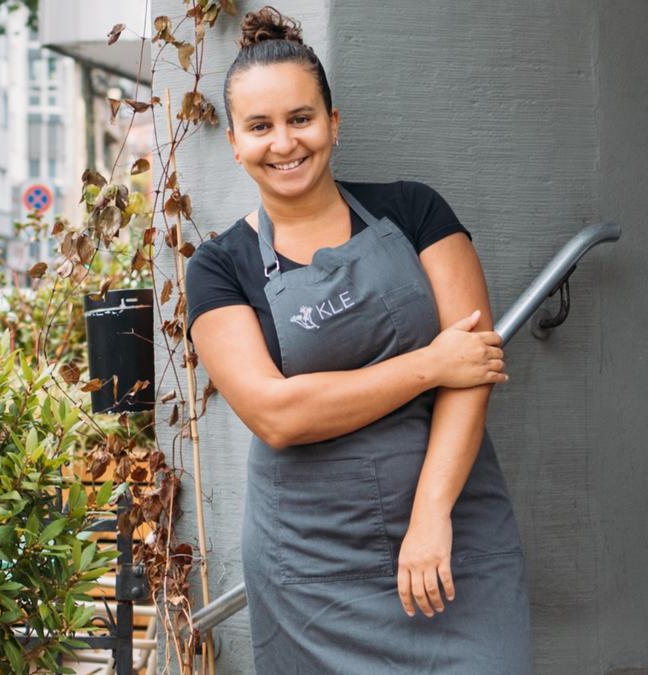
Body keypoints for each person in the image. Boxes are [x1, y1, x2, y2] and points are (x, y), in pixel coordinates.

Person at [185, 7, 532, 673]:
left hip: (454, 535)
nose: (284, 142)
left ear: (333, 124)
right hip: (311, 572)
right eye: (260, 127)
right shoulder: (219, 268)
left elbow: (476, 369)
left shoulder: (414, 211)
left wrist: (431, 514)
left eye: (300, 119)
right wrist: (431, 364)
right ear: (235, 142)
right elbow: (277, 413)